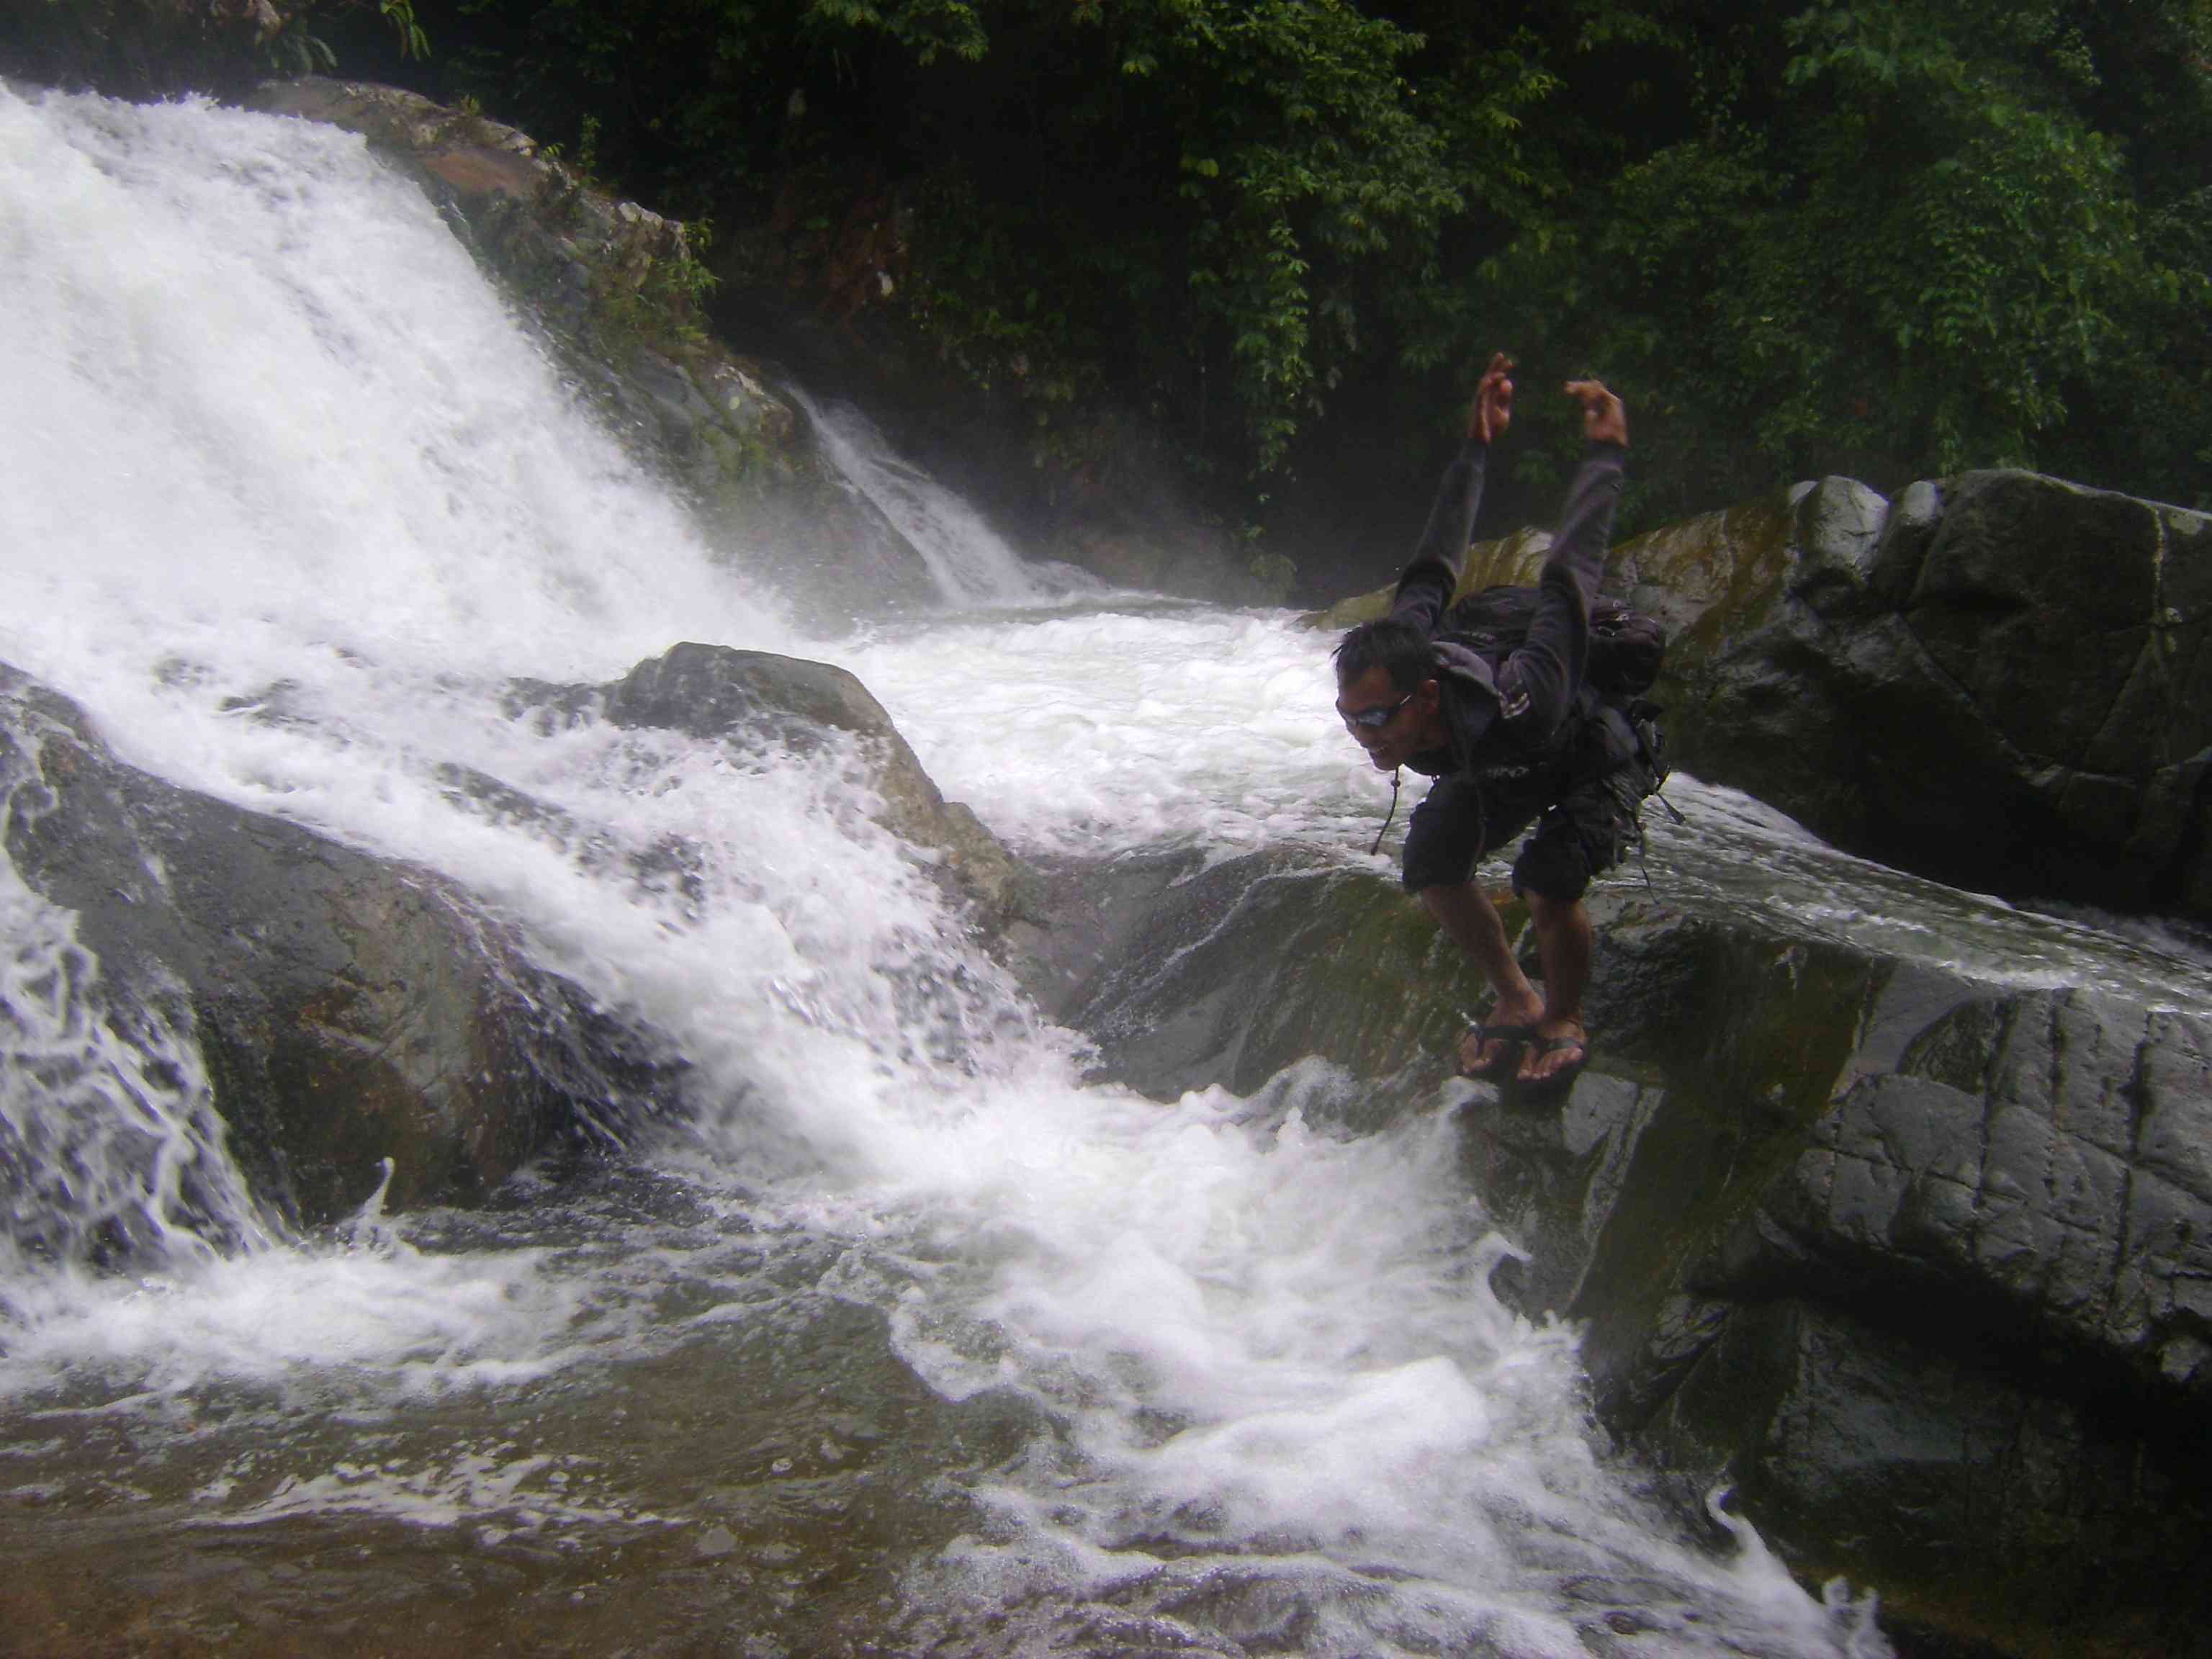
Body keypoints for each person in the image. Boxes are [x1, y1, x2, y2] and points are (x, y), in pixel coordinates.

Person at [1332, 353, 1653, 1093]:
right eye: (1352, 721)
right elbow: (1437, 558)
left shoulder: (1523, 693)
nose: (1368, 736)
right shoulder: (1404, 646)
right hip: (1496, 763)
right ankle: (1516, 996)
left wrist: (1606, 456)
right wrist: (1475, 447)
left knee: (1549, 877)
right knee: (1432, 857)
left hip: (1589, 746)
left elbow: (1571, 575)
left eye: (1379, 718)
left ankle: (1565, 1018)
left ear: (1427, 699)